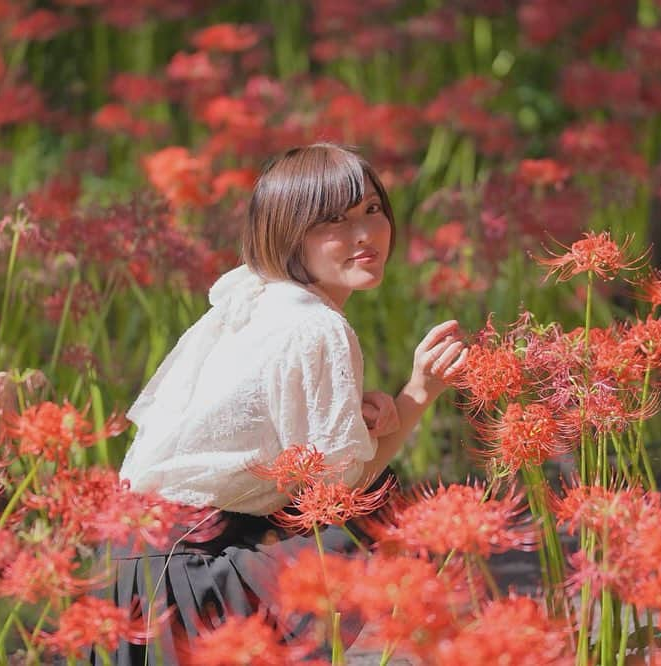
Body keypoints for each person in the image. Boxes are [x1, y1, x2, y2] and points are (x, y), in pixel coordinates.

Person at [97, 143, 467, 664]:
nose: (364, 235)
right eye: (333, 221)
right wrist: (420, 391)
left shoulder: (256, 293)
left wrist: (362, 416)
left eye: (372, 210)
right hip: (191, 579)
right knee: (373, 513)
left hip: (127, 572)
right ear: (289, 234)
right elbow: (341, 496)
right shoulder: (318, 325)